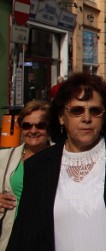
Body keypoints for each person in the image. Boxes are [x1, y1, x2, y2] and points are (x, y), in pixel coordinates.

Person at [8, 73, 106, 251]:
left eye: (95, 110)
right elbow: (26, 232)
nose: (86, 118)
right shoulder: (39, 166)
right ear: (61, 117)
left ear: (104, 115)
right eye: (77, 110)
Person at [0, 101, 51, 250]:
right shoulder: (5, 157)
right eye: (27, 125)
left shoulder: (60, 159)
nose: (33, 130)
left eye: (40, 125)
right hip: (11, 238)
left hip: (44, 239)